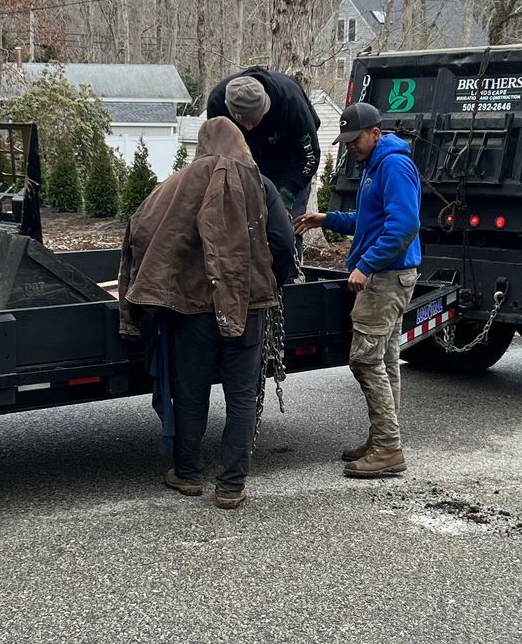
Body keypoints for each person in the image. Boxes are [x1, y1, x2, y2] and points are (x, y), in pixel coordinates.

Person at [119, 118, 286, 510]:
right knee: (242, 395)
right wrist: (266, 283)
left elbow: (141, 229)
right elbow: (281, 240)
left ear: (202, 145)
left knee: (191, 391)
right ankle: (231, 486)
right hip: (249, 304)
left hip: (194, 309)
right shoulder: (260, 183)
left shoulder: (178, 184)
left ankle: (188, 474)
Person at [295, 102, 421, 478]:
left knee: (364, 359)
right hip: (392, 274)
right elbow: (370, 221)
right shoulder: (373, 166)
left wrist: (366, 265)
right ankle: (383, 438)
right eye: (345, 141)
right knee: (384, 359)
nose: (350, 146)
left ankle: (388, 449)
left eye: (355, 139)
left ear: (376, 133)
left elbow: (403, 226)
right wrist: (327, 218)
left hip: (386, 278)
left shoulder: (393, 166)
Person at [205, 67, 321, 216]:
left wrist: (285, 199)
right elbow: (217, 155)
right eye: (243, 122)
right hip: (245, 165)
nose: (249, 127)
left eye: (254, 120)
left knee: (286, 225)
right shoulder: (217, 104)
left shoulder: (290, 102)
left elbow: (309, 157)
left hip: (290, 163)